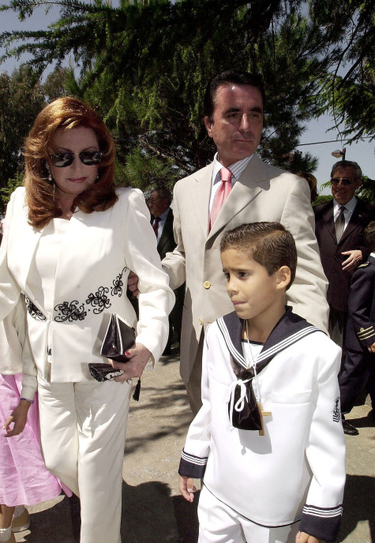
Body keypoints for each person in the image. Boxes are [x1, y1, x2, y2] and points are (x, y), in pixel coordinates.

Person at [0, 97, 174, 543]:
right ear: (42, 160)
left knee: (96, 476)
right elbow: (6, 292)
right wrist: (14, 369)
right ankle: (103, 510)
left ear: (103, 156)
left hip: (109, 364)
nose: (77, 167)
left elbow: (155, 285)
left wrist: (148, 347)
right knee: (59, 460)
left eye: (89, 155)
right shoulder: (21, 205)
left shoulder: (125, 205)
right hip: (48, 366)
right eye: (62, 156)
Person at [151, 69, 329, 414]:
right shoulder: (186, 188)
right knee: (206, 456)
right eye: (232, 114)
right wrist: (151, 277)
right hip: (197, 351)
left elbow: (305, 279)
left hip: (256, 353)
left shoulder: (287, 188)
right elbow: (186, 256)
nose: (245, 125)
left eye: (255, 114)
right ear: (208, 123)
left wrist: (306, 352)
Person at [179, 222, 346, 543]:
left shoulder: (315, 351)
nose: (230, 286)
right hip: (218, 493)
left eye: (243, 274)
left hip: (275, 509)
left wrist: (320, 514)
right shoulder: (217, 334)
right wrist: (194, 457)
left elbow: (327, 442)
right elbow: (211, 405)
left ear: (281, 277)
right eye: (227, 274)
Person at [0, 301, 66, 543]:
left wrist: (26, 397)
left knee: (6, 460)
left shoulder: (6, 282)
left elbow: (29, 342)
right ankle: (15, 513)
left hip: (7, 379)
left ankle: (5, 524)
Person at [314, 160, 375, 348]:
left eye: (346, 181)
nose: (339, 186)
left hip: (351, 297)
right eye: (335, 181)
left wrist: (362, 252)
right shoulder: (316, 212)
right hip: (318, 293)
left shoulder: (370, 213)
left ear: (357, 183)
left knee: (345, 355)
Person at [338, 220, 375, 435]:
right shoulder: (367, 271)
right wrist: (369, 338)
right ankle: (336, 414)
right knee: (352, 378)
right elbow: (357, 308)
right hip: (361, 341)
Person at [147, 187, 184, 353]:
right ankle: (163, 347)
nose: (150, 205)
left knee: (176, 315)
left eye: (153, 201)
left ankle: (182, 347)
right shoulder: (146, 221)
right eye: (149, 201)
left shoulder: (176, 219)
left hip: (174, 278)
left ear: (165, 202)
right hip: (151, 276)